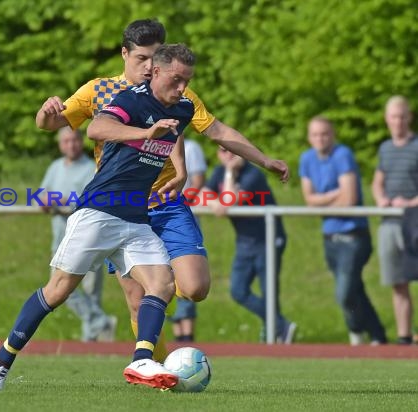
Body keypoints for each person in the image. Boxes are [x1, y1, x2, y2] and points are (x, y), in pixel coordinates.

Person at [35, 19, 289, 361]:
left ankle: (162, 283)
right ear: (125, 53)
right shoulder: (99, 90)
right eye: (142, 58)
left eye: (155, 58)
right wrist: (45, 112)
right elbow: (53, 124)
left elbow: (205, 129)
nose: (149, 66)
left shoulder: (174, 88)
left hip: (165, 201)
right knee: (138, 302)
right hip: (121, 207)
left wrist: (260, 159)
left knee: (195, 287)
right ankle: (153, 370)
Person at [0, 43, 197, 392]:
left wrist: (182, 169)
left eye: (187, 80)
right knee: (57, 292)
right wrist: (146, 133)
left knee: (162, 285)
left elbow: (178, 129)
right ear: (156, 72)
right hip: (98, 212)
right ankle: (1, 360)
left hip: (136, 220)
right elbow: (96, 129)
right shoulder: (131, 100)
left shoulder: (182, 107)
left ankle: (141, 359)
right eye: (176, 80)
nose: (183, 88)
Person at [301, 116, 387, 345]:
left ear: (333, 135)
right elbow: (309, 200)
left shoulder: (342, 154)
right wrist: (334, 195)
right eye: (315, 134)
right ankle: (378, 335)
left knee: (345, 292)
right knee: (355, 290)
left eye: (325, 134)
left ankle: (355, 331)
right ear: (309, 137)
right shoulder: (307, 159)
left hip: (354, 235)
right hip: (330, 236)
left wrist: (324, 201)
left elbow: (349, 198)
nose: (320, 139)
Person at [201, 146, 296, 343]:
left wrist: (228, 176)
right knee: (238, 290)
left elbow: (228, 204)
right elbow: (202, 194)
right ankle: (279, 325)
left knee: (269, 291)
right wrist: (217, 202)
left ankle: (274, 332)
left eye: (232, 151)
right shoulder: (218, 171)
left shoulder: (253, 174)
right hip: (245, 242)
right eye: (222, 151)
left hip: (267, 239)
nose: (228, 155)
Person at [39, 126, 117, 342]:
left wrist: (62, 201)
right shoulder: (55, 167)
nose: (71, 145)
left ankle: (90, 343)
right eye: (66, 141)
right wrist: (43, 201)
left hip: (88, 239)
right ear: (60, 144)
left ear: (80, 142)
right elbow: (42, 194)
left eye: (74, 140)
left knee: (91, 292)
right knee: (64, 289)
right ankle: (100, 322)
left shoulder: (92, 167)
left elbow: (93, 200)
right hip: (61, 239)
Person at [371, 96, 418, 345]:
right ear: (387, 119)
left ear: (408, 118)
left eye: (401, 116)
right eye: (393, 117)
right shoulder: (385, 148)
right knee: (397, 281)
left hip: (414, 220)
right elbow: (378, 182)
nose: (397, 122)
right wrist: (381, 198)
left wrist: (410, 202)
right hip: (390, 222)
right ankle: (404, 336)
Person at [168, 138, 207, 342]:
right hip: (155, 216)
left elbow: (198, 180)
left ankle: (187, 334)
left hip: (180, 215)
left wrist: (178, 202)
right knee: (162, 277)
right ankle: (175, 332)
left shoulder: (192, 147)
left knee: (189, 277)